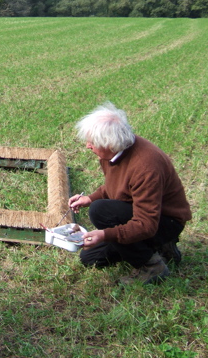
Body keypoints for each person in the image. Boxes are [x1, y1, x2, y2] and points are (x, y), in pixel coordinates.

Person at [68, 102, 191, 285]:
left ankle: (152, 267)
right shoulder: (112, 153)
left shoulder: (145, 167)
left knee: (100, 210)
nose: (88, 146)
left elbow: (146, 224)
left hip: (164, 220)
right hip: (143, 214)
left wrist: (105, 234)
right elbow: (118, 186)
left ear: (109, 143)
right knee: (91, 258)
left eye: (92, 142)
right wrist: (90, 198)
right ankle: (160, 248)